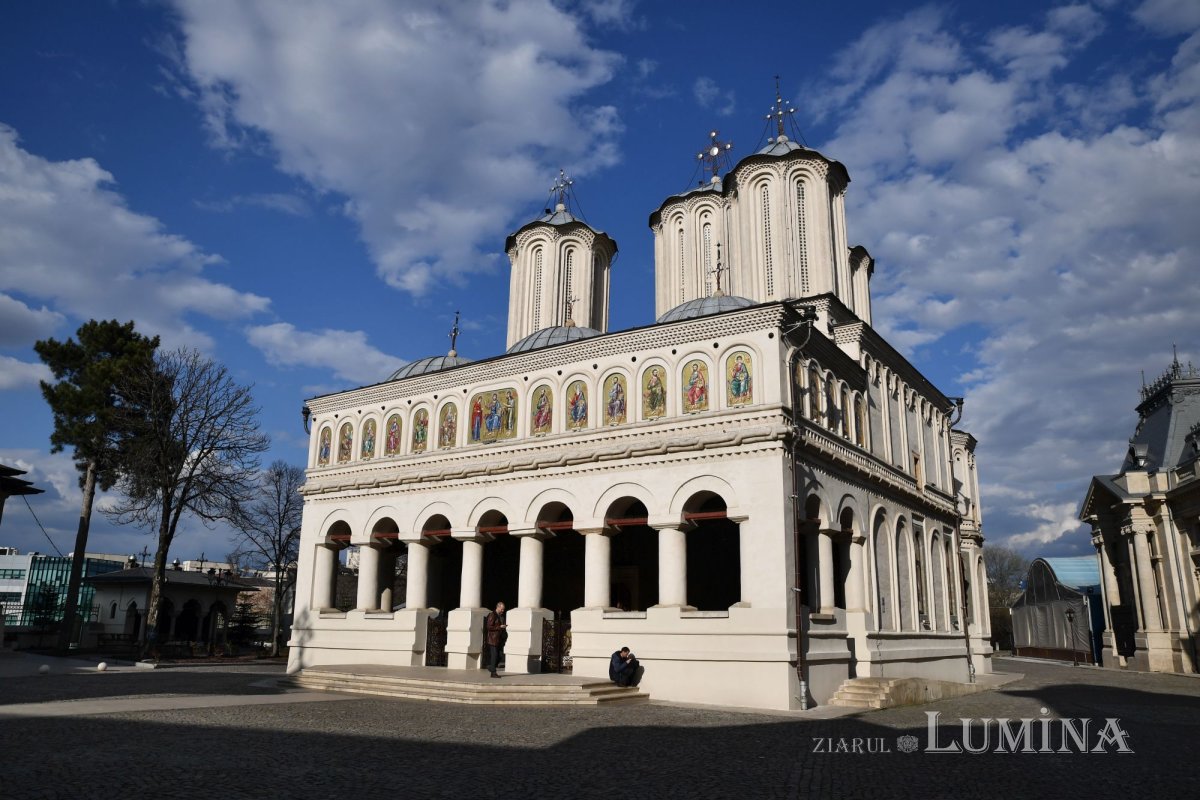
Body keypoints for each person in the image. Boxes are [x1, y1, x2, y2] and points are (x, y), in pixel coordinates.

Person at [485, 601, 507, 677]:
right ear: (498, 607)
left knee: (500, 655)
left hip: (499, 639)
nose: (502, 611)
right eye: (502, 609)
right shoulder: (492, 615)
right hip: (493, 639)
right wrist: (499, 627)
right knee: (494, 655)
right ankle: (493, 672)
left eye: (503, 609)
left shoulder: (501, 616)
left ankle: (490, 667)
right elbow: (489, 627)